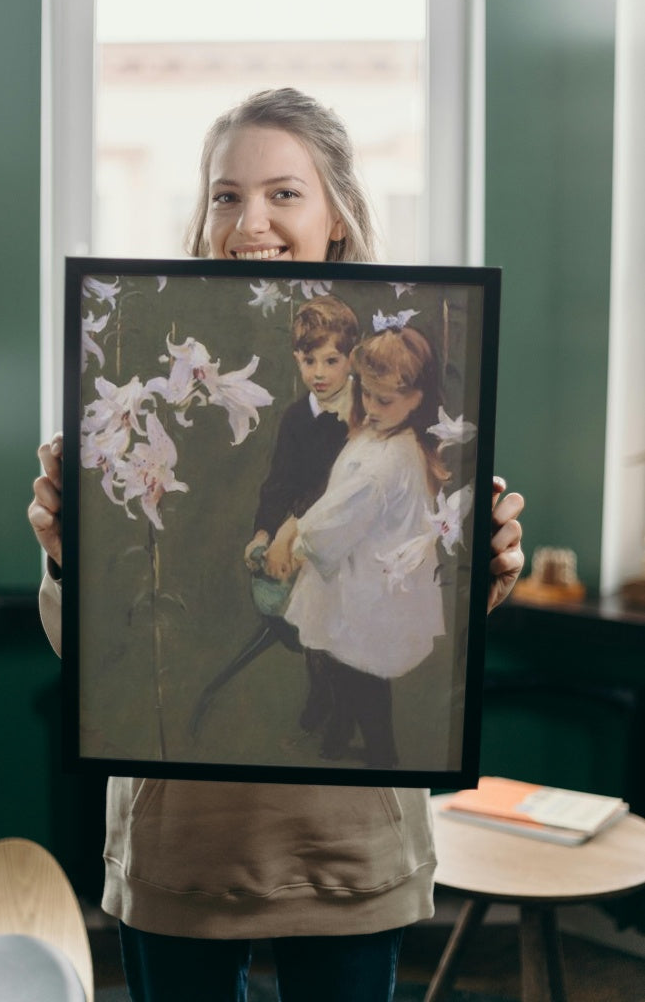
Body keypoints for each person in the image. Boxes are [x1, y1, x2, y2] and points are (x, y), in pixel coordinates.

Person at [29, 87, 525, 1002]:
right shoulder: (136, 372)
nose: (248, 219)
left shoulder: (410, 383)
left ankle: (333, 719)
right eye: (225, 194)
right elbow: (91, 652)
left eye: (283, 193)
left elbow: (434, 596)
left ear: (336, 213)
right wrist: (69, 557)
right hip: (181, 847)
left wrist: (482, 569)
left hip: (347, 850)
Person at [282, 325, 450, 770]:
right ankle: (342, 727)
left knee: (363, 673)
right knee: (344, 663)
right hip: (359, 575)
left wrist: (300, 542)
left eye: (384, 400)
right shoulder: (384, 435)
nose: (371, 408)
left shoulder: (388, 459)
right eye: (367, 395)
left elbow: (340, 517)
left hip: (365, 585)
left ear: (416, 398)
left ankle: (382, 753)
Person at [244, 294, 361, 733]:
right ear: (297, 358)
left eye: (331, 360)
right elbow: (280, 483)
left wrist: (287, 534)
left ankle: (342, 712)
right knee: (310, 624)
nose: (320, 373)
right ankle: (322, 693)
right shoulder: (296, 417)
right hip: (301, 537)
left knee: (335, 616)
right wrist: (262, 533)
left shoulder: (363, 416)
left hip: (348, 534)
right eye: (309, 360)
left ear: (352, 358)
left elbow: (333, 490)